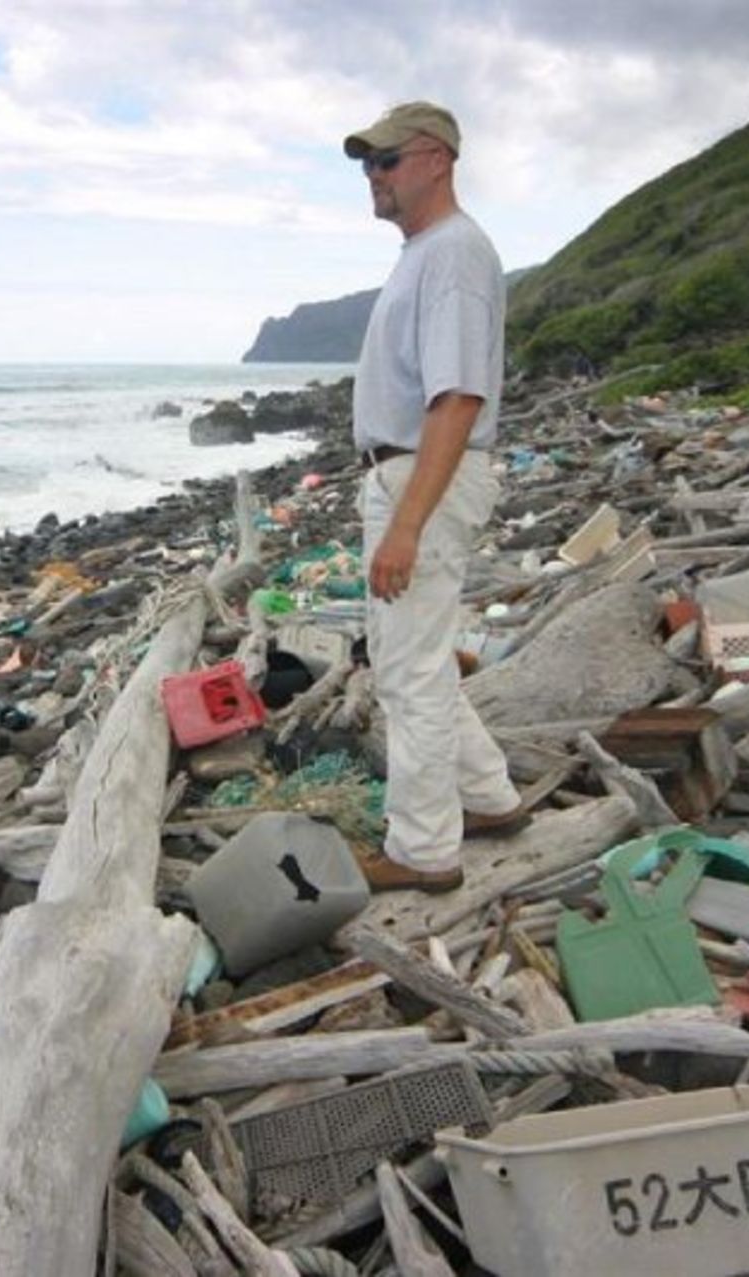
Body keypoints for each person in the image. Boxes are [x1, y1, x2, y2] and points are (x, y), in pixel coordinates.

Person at [342, 101, 528, 894]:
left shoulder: (451, 253)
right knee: (415, 659)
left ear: (435, 159)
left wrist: (406, 524)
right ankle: (487, 797)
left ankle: (423, 850)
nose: (372, 178)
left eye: (385, 161)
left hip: (423, 475)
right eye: (367, 165)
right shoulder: (429, 252)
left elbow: (457, 399)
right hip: (412, 472)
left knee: (408, 673)